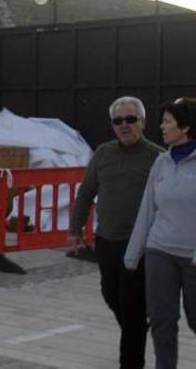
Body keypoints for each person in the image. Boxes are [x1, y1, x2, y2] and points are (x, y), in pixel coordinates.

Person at [69, 96, 163, 369]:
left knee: (133, 306)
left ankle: (131, 360)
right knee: (111, 294)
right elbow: (86, 193)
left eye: (130, 119)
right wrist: (75, 230)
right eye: (118, 121)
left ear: (143, 123)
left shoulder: (157, 158)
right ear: (112, 126)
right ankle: (136, 329)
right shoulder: (103, 154)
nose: (124, 125)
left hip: (141, 245)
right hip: (106, 242)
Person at [125, 97, 196, 369]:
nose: (162, 127)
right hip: (160, 252)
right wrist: (134, 254)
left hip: (192, 257)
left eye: (167, 122)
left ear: (186, 126)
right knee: (161, 319)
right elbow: (147, 210)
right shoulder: (161, 163)